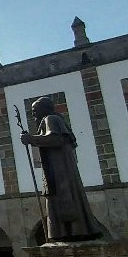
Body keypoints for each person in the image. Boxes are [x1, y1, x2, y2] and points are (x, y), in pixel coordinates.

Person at [19, 96, 103, 242]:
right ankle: (70, 231)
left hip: (59, 171)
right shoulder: (53, 120)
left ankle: (69, 232)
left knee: (63, 199)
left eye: (34, 110)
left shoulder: (50, 119)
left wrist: (31, 139)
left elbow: (56, 139)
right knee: (64, 200)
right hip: (58, 169)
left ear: (43, 109)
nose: (33, 114)